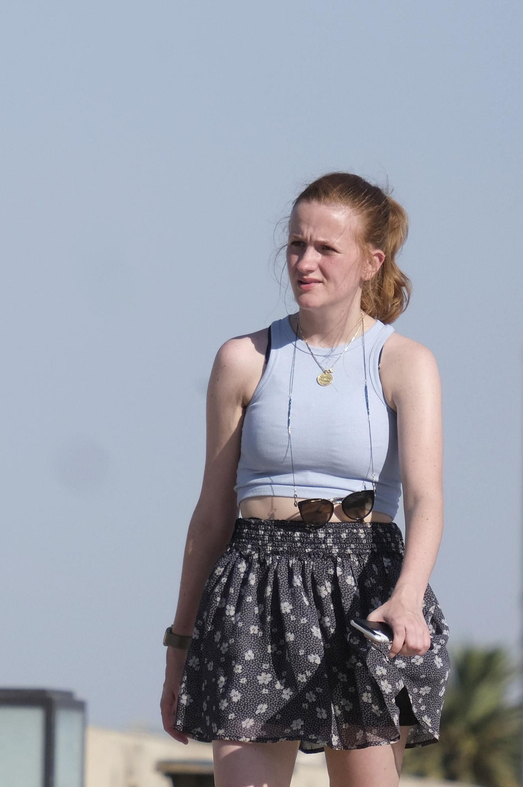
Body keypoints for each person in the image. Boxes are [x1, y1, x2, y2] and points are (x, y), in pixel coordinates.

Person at [159, 174, 451, 787]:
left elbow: (426, 500)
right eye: (297, 245)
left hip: (363, 586)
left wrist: (407, 595)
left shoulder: (406, 363)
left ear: (372, 262)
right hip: (254, 586)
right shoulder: (244, 358)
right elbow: (211, 515)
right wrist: (179, 645)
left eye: (326, 249)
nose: (305, 262)